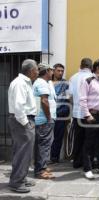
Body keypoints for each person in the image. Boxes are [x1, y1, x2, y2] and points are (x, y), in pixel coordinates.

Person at [8, 59, 39, 193]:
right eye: (37, 69)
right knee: (23, 152)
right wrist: (26, 124)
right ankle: (17, 182)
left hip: (23, 120)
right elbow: (19, 106)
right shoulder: (20, 83)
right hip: (22, 121)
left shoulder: (25, 82)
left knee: (23, 152)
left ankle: (20, 178)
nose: (38, 72)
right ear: (31, 70)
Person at [33, 63, 57, 179]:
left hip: (43, 119)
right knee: (44, 145)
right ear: (47, 71)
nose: (52, 72)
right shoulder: (42, 83)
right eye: (51, 70)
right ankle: (40, 171)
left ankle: (41, 166)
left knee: (43, 144)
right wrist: (48, 118)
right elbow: (44, 101)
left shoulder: (45, 83)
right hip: (44, 120)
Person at [69, 58, 93, 168]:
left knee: (78, 138)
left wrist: (74, 109)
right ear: (91, 66)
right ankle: (87, 162)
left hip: (76, 113)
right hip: (89, 113)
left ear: (81, 65)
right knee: (89, 138)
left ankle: (76, 161)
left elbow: (70, 97)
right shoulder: (93, 77)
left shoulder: (73, 77)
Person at [50, 63, 70, 163]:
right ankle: (44, 158)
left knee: (58, 137)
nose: (61, 73)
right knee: (47, 137)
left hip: (61, 114)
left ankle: (54, 157)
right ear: (53, 71)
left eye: (62, 71)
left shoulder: (65, 83)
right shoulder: (48, 82)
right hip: (48, 114)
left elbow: (68, 98)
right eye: (58, 70)